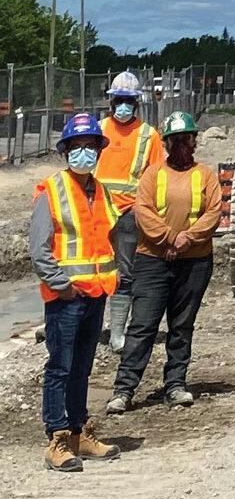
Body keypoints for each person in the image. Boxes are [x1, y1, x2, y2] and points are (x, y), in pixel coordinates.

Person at [106, 111, 222, 413]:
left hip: (194, 262)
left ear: (195, 142)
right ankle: (124, 389)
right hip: (153, 261)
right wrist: (171, 238)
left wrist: (186, 239)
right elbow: (143, 213)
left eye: (187, 139)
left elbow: (213, 213)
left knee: (182, 326)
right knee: (142, 326)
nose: (183, 145)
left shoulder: (206, 176)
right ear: (167, 144)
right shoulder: (152, 175)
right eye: (176, 140)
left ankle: (175, 384)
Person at [30, 113, 122, 471]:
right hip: (67, 297)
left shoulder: (101, 191)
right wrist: (61, 286)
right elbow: (39, 249)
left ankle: (77, 432)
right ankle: (56, 437)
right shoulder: (50, 190)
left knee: (82, 367)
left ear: (98, 151)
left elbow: (110, 236)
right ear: (66, 150)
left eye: (90, 146)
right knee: (60, 367)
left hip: (96, 293)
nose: (84, 152)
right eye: (77, 146)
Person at [96, 71, 164, 352]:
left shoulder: (149, 135)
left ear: (136, 103)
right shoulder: (98, 129)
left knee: (125, 272)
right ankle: (89, 326)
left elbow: (156, 178)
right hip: (97, 211)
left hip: (128, 213)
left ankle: (117, 333)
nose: (122, 106)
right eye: (118, 100)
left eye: (128, 101)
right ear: (111, 102)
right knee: (93, 268)